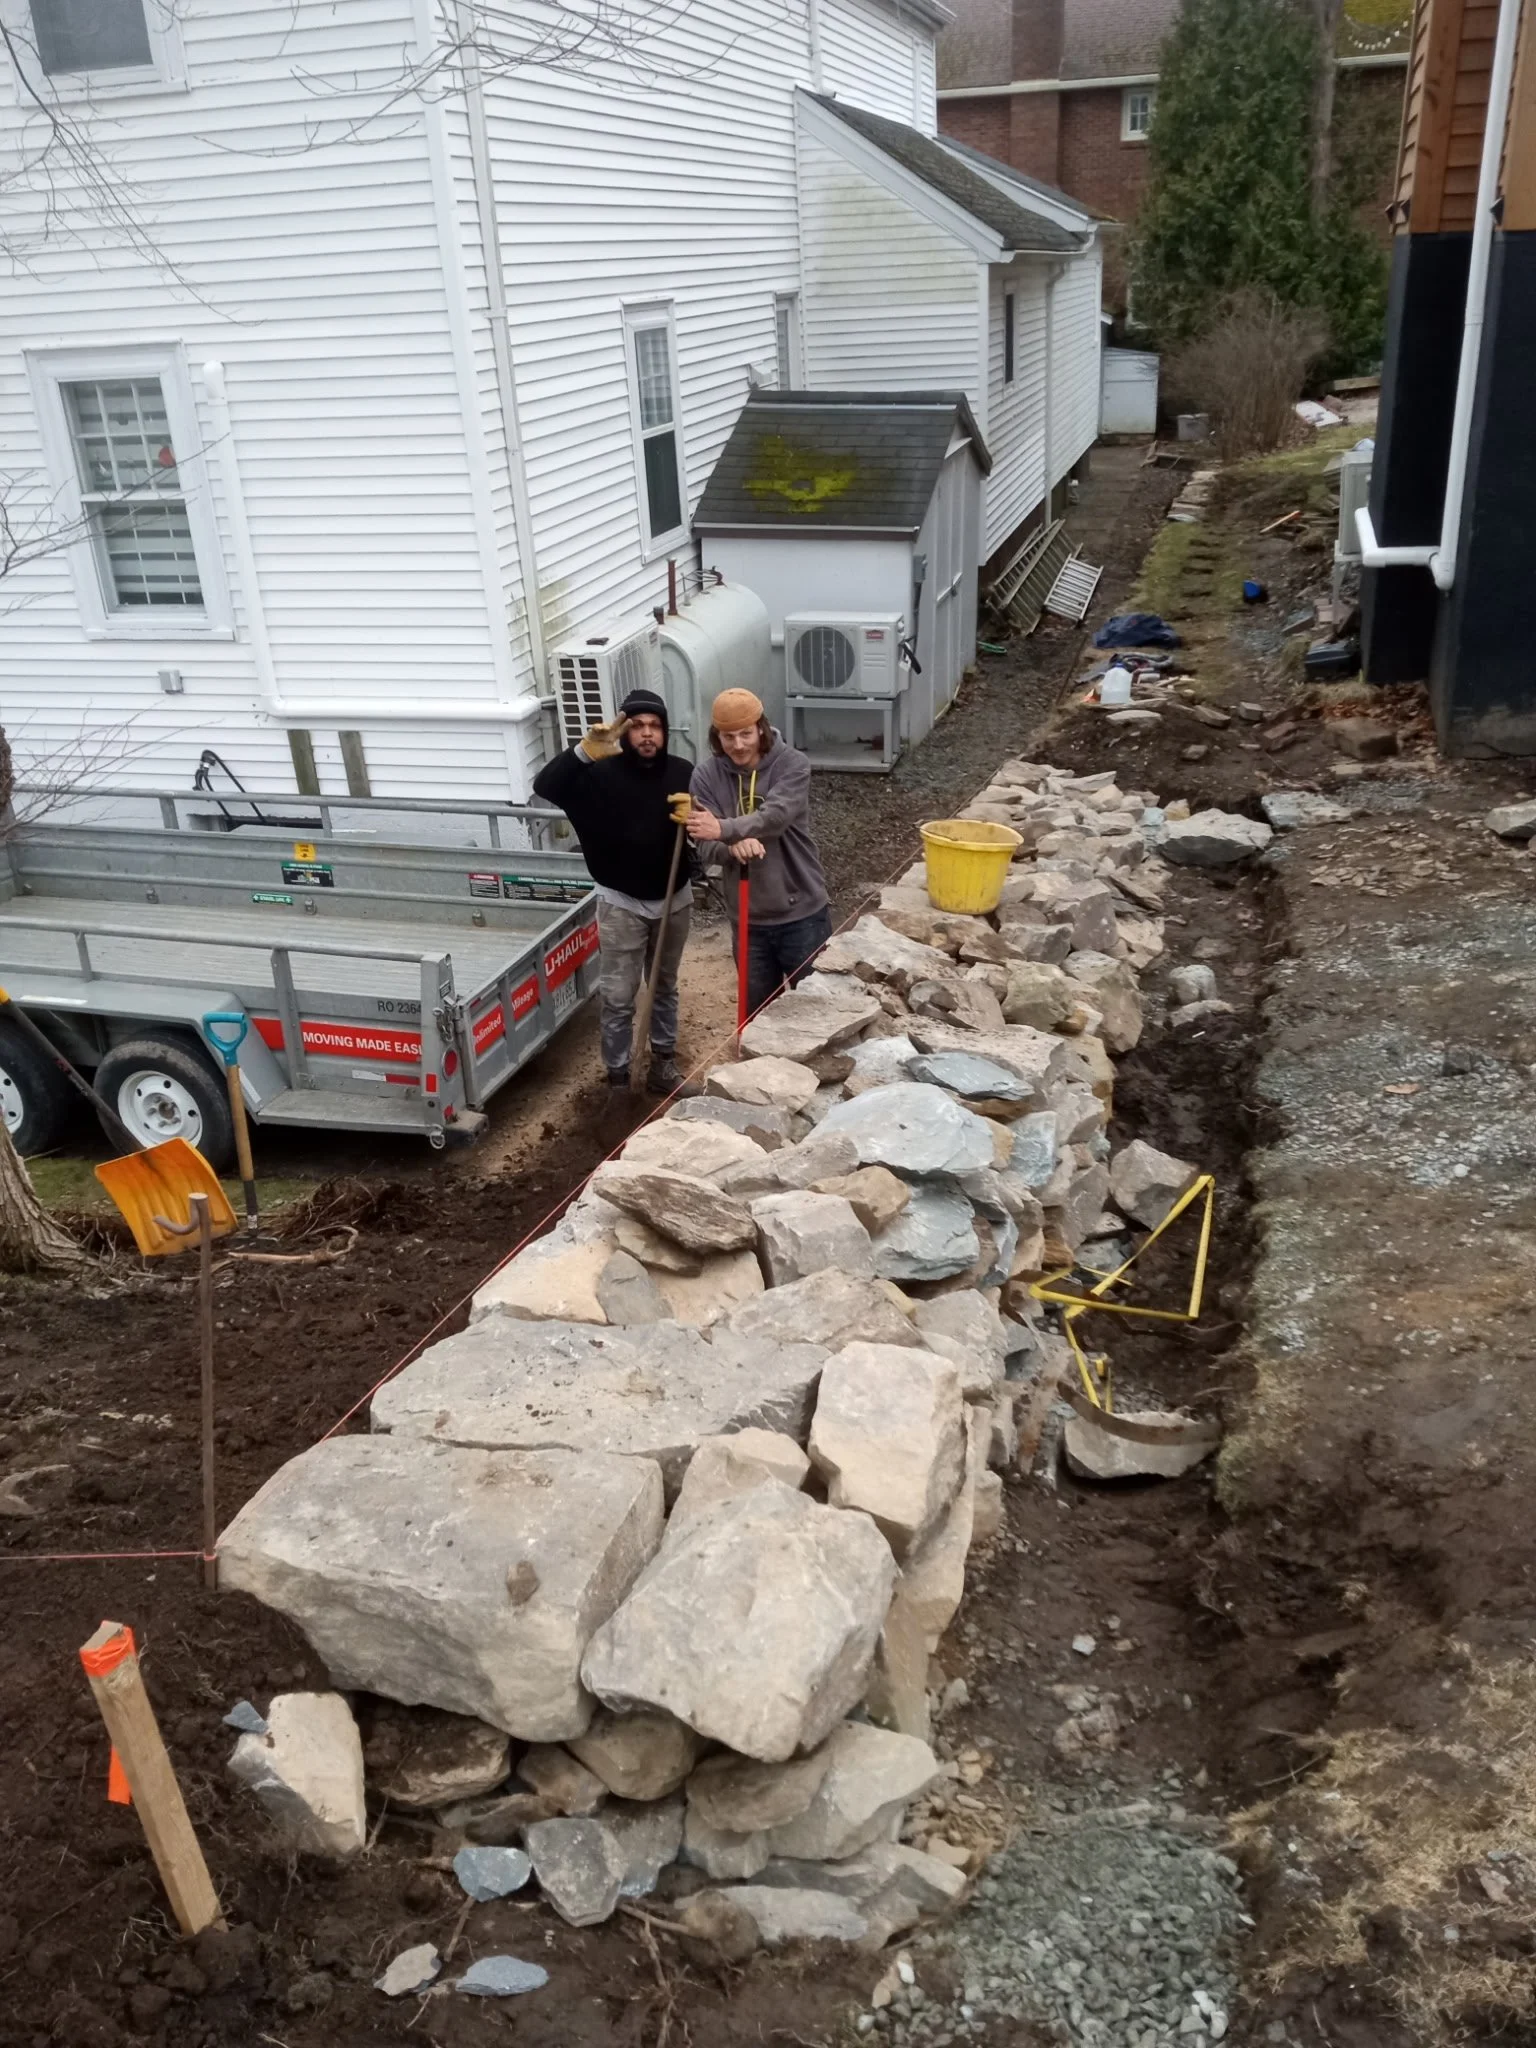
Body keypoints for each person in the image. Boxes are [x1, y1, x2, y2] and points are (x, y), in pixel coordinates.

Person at [532, 687, 695, 1092]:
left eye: (654, 726)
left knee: (664, 986)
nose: (646, 734)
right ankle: (619, 1078)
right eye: (637, 725)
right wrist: (583, 752)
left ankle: (663, 1067)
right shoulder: (595, 777)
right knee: (619, 995)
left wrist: (701, 817)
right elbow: (545, 785)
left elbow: (714, 813)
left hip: (675, 898)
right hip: (621, 903)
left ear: (665, 731)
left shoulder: (683, 772)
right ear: (623, 732)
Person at [687, 688, 833, 1021]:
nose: (738, 745)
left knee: (817, 1016)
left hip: (803, 915)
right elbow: (704, 842)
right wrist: (730, 844)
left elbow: (775, 818)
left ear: (762, 729)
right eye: (728, 737)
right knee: (758, 1019)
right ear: (716, 737)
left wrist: (724, 829)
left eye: (745, 734)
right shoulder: (705, 777)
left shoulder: (793, 765)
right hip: (747, 920)